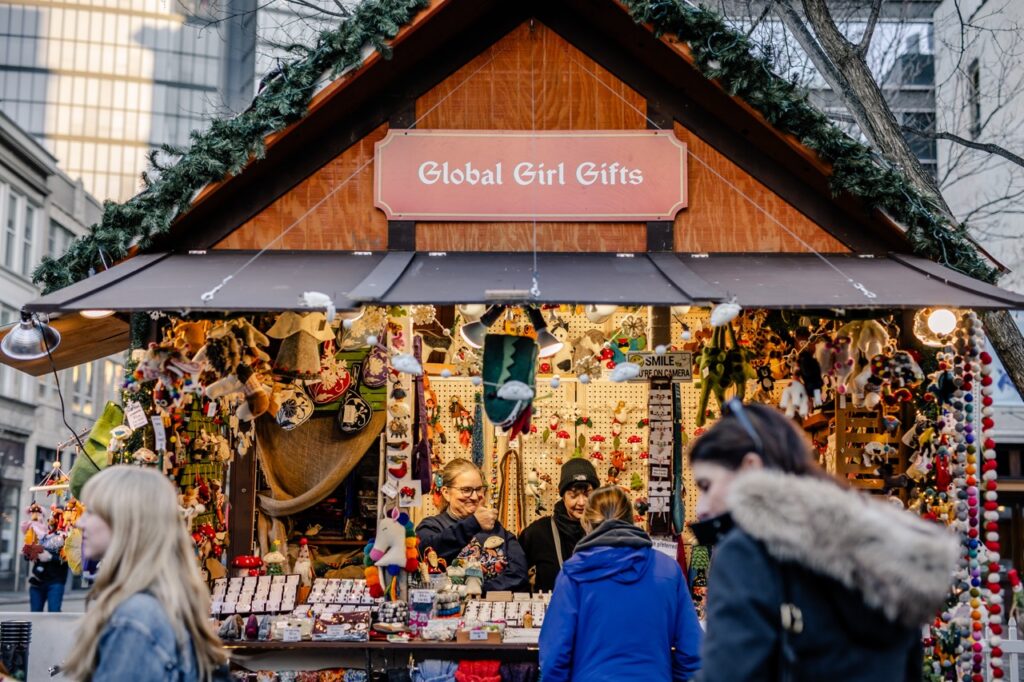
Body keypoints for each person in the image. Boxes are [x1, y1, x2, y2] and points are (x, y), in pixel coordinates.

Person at [689, 400, 958, 682]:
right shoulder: (884, 553)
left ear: (750, 467)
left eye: (707, 486)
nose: (701, 508)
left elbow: (728, 674)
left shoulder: (747, 553)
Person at [62, 466, 228, 681]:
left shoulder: (136, 616)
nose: (79, 522)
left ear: (126, 522)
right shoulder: (159, 604)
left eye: (92, 512)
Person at [539, 486, 702, 681]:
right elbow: (694, 651)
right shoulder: (668, 570)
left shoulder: (573, 572)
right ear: (631, 519)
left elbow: (554, 655)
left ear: (587, 523)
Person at [416, 458, 528, 593]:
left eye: (479, 489)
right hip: (449, 611)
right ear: (446, 493)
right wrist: (473, 523)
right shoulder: (432, 526)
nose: (475, 497)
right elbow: (428, 553)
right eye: (466, 490)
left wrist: (478, 590)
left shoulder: (496, 529)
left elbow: (519, 575)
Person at [519, 459, 599, 592]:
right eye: (573, 495)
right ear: (562, 496)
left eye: (588, 495)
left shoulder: (607, 532)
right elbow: (515, 577)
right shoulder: (538, 533)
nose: (581, 502)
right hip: (552, 611)